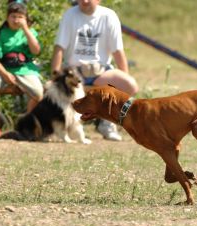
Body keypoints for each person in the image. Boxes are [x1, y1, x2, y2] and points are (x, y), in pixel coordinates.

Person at [51, 0, 139, 141]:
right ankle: (66, 126)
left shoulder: (109, 16)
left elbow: (117, 51)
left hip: (102, 72)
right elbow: (59, 48)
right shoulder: (69, 15)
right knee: (62, 85)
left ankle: (107, 122)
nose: (85, 1)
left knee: (130, 85)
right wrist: (55, 74)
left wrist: (123, 82)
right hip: (75, 71)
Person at [0, 0, 43, 138]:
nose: (16, 20)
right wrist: (5, 75)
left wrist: (26, 30)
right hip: (3, 69)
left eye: (20, 17)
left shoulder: (30, 32)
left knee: (39, 93)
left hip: (25, 69)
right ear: (7, 17)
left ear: (25, 18)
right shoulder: (0, 33)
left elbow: (36, 51)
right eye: (13, 16)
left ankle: (26, 126)